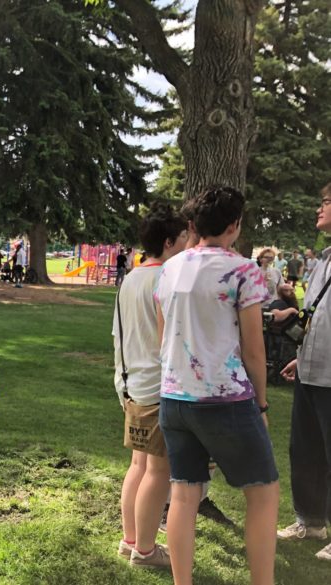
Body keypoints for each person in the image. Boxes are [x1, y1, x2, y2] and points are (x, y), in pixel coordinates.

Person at [155, 186, 278, 585]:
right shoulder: (244, 270)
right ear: (234, 225)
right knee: (263, 492)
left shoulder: (169, 268)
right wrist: (261, 404)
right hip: (224, 398)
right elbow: (254, 349)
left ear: (194, 224)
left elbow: (162, 338)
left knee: (183, 493)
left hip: (174, 397)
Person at [114, 203, 187, 569]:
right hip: (158, 386)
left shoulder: (130, 278)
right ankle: (144, 549)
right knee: (157, 472)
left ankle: (131, 540)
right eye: (184, 237)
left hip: (131, 385)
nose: (189, 243)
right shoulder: (166, 279)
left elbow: (118, 334)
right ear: (169, 242)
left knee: (139, 466)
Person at [278, 183, 331, 561]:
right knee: (305, 450)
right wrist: (303, 355)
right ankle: (310, 522)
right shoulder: (324, 260)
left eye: (326, 202)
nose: (319, 208)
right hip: (311, 369)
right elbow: (319, 316)